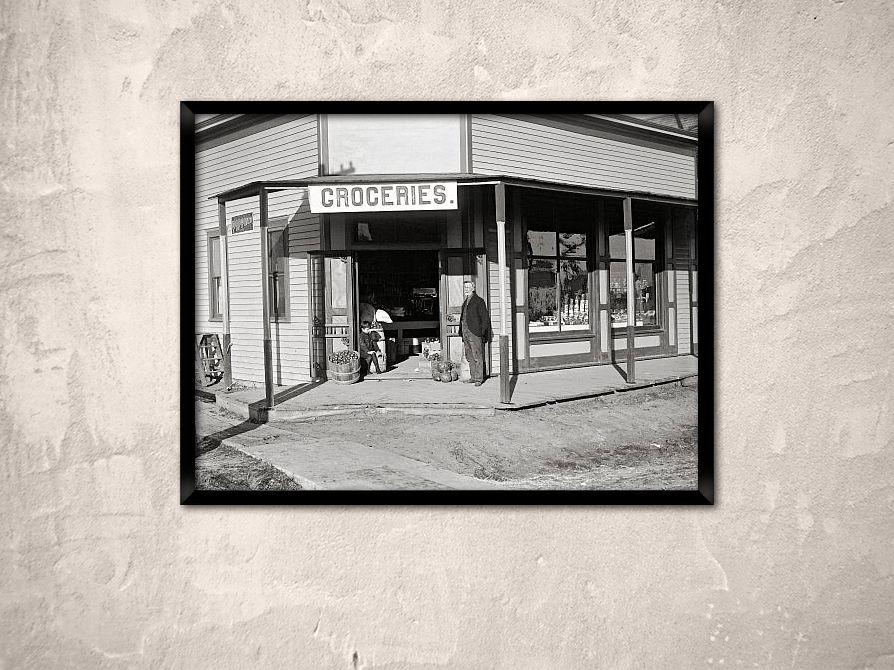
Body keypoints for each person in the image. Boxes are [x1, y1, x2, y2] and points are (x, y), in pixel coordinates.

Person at [459, 280, 491, 387]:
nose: (466, 289)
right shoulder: (465, 301)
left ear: (473, 288)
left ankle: (478, 379)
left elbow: (485, 319)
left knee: (477, 356)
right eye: (465, 287)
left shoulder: (479, 301)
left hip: (475, 333)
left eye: (468, 287)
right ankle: (473, 377)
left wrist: (480, 333)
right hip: (465, 333)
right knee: (470, 356)